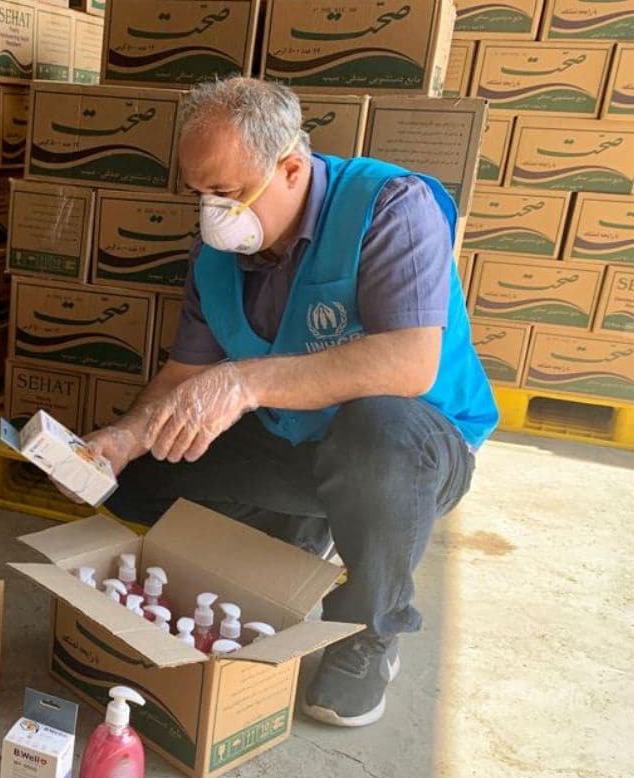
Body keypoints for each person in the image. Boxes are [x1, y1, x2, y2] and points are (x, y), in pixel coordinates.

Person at [87, 78, 499, 728]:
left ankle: (372, 629)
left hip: (414, 447)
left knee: (375, 434)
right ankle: (309, 528)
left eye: (225, 193)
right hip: (296, 435)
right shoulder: (220, 253)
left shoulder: (391, 207)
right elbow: (182, 376)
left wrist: (244, 383)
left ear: (291, 168)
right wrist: (121, 439)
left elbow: (410, 363)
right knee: (140, 477)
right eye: (199, 195)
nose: (211, 214)